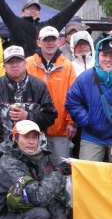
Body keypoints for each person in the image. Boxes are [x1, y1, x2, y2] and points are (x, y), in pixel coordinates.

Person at [0, 46, 57, 152]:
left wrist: (28, 115)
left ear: (25, 63)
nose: (14, 65)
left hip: (36, 151)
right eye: (10, 62)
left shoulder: (39, 86)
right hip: (7, 152)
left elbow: (51, 116)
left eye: (18, 61)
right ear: (4, 66)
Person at [26, 26, 77, 167]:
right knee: (34, 169)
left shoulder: (67, 66)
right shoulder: (28, 64)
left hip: (59, 130)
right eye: (46, 40)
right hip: (33, 130)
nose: (49, 43)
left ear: (58, 42)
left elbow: (74, 97)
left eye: (53, 39)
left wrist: (71, 122)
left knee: (61, 170)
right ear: (38, 42)